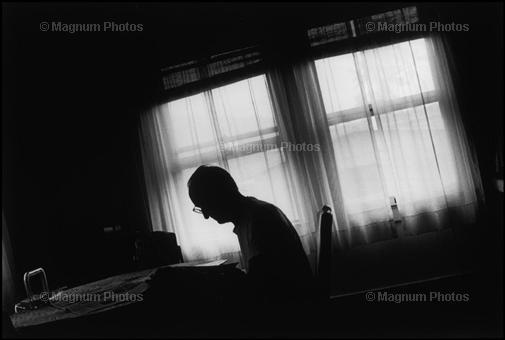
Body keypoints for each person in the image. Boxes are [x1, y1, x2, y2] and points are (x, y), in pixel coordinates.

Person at [187, 165, 315, 306]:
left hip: (288, 309)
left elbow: (260, 287)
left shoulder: (260, 219)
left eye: (205, 205)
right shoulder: (253, 214)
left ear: (220, 195)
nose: (205, 216)